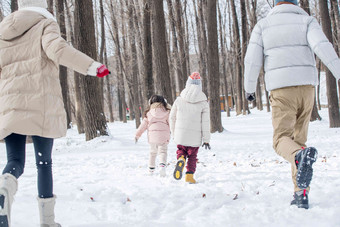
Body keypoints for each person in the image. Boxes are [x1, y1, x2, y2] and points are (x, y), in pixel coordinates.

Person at [0, 0, 110, 226]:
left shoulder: (3, 33)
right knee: (44, 163)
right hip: (40, 102)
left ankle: (4, 188)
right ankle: (48, 222)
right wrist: (91, 66)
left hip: (9, 104)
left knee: (15, 160)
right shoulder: (44, 23)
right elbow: (57, 50)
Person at [244, 0, 340, 209]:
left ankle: (299, 165)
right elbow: (322, 47)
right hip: (307, 88)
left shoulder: (263, 25)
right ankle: (301, 194)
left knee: (282, 141)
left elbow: (252, 60)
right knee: (298, 141)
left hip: (281, 89)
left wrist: (249, 89)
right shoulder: (307, 21)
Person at [170, 72, 211, 184]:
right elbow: (205, 123)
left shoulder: (179, 100)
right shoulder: (203, 102)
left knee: (181, 150)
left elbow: (171, 117)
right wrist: (206, 140)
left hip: (180, 135)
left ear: (187, 84)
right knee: (192, 156)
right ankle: (189, 176)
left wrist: (174, 133)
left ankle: (181, 159)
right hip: (195, 138)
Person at [135, 95, 171, 177]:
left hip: (153, 137)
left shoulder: (148, 113)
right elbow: (171, 124)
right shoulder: (167, 112)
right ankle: (162, 166)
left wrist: (137, 135)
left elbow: (143, 126)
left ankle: (151, 170)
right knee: (162, 152)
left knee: (152, 153)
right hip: (163, 137)